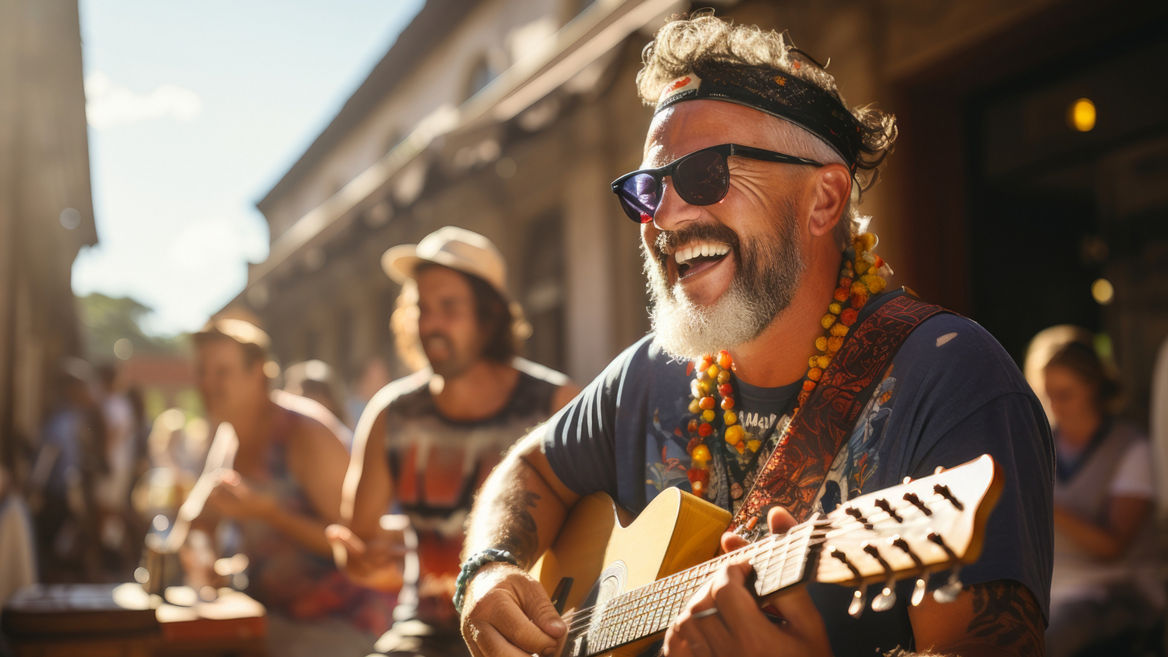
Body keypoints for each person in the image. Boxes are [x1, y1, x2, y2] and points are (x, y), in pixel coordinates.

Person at [455, 14, 1053, 657]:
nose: (667, 215)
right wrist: (489, 566)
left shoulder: (953, 380)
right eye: (648, 189)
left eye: (706, 173)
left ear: (824, 201)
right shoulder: (650, 373)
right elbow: (530, 467)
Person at [326, 226, 579, 657]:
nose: (431, 324)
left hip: (529, 630)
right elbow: (362, 540)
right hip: (421, 633)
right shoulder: (391, 413)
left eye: (449, 307)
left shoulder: (557, 403)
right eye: (422, 308)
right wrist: (359, 559)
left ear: (489, 316)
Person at [173, 318, 391, 657]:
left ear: (257, 372)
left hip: (339, 623)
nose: (207, 383)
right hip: (271, 616)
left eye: (221, 372)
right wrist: (204, 557)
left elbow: (360, 545)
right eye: (201, 371)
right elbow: (196, 520)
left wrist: (274, 515)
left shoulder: (304, 432)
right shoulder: (228, 436)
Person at [1029, 331, 1162, 657]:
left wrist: (1043, 502)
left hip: (1117, 592)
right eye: (1049, 396)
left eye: (1065, 394)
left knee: (1042, 643)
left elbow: (1112, 547)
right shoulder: (1042, 445)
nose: (1056, 406)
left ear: (1093, 387)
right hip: (1054, 589)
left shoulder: (1132, 449)